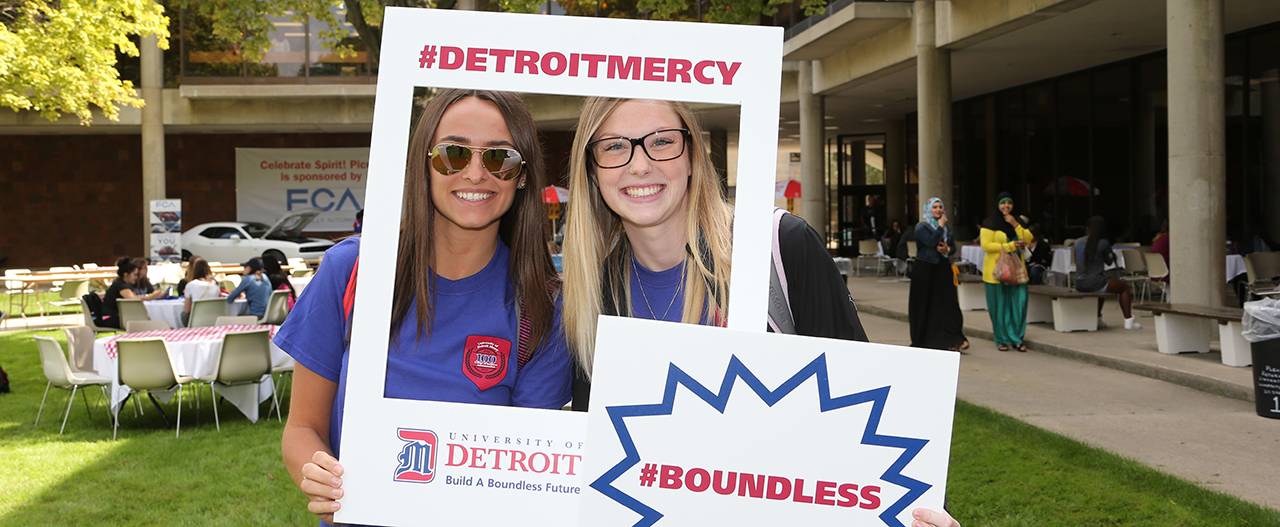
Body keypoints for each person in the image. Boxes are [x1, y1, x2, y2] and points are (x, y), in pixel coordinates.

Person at [559, 97, 958, 527]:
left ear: (692, 155)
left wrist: (916, 513)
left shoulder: (779, 247)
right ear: (591, 168)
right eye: (615, 146)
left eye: (661, 141)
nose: (639, 165)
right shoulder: (592, 295)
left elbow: (865, 419)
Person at [276, 90, 570, 525]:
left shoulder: (543, 307)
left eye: (499, 158)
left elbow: (524, 481)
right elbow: (302, 429)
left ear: (522, 175)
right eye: (452, 153)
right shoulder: (352, 269)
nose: (474, 174)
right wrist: (317, 472)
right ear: (423, 164)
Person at [907, 198, 967, 351]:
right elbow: (930, 242)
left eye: (941, 207)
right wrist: (940, 227)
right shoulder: (922, 227)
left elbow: (953, 247)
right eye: (935, 207)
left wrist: (947, 249)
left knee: (947, 304)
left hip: (942, 268)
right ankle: (924, 339)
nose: (938, 210)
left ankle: (952, 338)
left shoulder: (946, 228)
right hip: (925, 270)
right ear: (929, 209)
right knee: (925, 304)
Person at [980, 192, 1033, 352]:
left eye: (1009, 203)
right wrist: (1009, 247)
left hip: (1017, 271)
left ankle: (1017, 338)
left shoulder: (1017, 221)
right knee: (999, 307)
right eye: (1003, 203)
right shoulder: (989, 223)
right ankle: (1001, 339)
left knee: (1019, 304)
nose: (1006, 206)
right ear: (997, 205)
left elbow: (1029, 238)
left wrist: (1015, 223)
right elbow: (986, 245)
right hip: (996, 272)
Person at [1074, 216, 1142, 330]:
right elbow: (1109, 262)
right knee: (1124, 287)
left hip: (1079, 283)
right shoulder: (1103, 243)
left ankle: (1098, 318)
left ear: (1087, 228)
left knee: (1103, 286)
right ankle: (1128, 320)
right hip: (1095, 282)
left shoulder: (1077, 242)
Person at [99, 257, 150, 329]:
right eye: (134, 274)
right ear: (126, 274)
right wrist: (150, 297)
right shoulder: (121, 285)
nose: (136, 277)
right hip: (109, 318)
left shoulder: (120, 283)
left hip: (112, 317)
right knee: (143, 319)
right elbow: (133, 299)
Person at [181, 257, 220, 325]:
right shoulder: (215, 285)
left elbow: (187, 310)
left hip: (196, 320)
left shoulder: (191, 285)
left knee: (183, 315)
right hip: (213, 320)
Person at [1024, 219, 1052, 286]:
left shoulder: (1043, 245)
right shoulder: (1025, 243)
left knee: (1034, 271)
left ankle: (1035, 288)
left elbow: (1045, 260)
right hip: (1027, 264)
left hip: (1039, 265)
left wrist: (1033, 263)